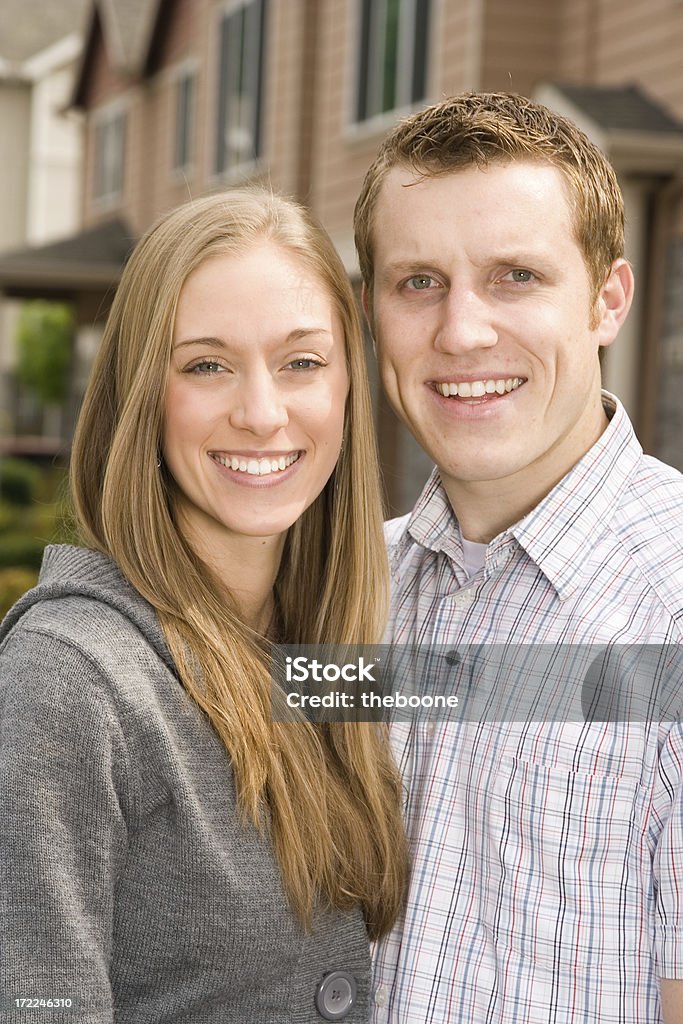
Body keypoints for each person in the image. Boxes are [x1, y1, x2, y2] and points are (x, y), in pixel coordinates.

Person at [0, 186, 408, 1023]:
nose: (262, 414)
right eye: (206, 365)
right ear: (141, 394)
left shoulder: (331, 646)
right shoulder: (69, 682)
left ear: (344, 389)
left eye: (301, 362)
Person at [353, 93, 683, 1023]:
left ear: (607, 299)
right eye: (417, 280)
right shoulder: (348, 598)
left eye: (514, 276)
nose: (460, 331)